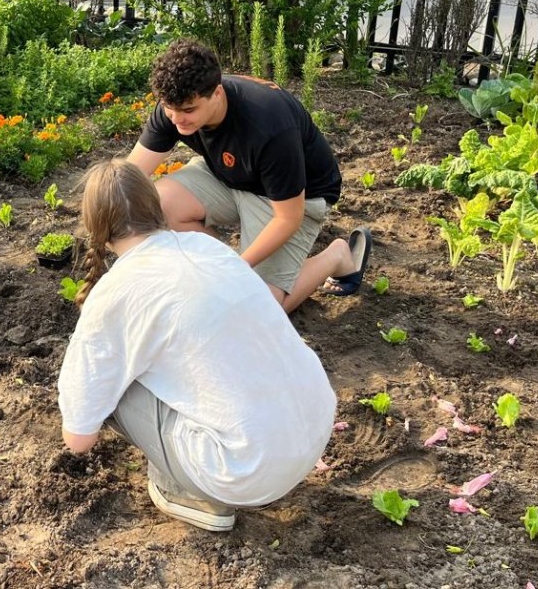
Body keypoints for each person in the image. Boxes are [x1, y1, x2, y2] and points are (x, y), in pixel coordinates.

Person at [57, 159, 337, 532]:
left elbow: (79, 438)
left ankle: (187, 493)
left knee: (112, 380)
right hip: (313, 428)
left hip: (245, 471)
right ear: (156, 208)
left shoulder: (115, 293)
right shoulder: (209, 248)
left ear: (99, 231)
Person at [127, 39, 371, 313]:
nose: (176, 119)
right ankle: (219, 273)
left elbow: (288, 218)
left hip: (292, 199)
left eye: (188, 110)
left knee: (257, 307)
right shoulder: (177, 104)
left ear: (217, 93)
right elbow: (129, 176)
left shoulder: (269, 126)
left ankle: (336, 257)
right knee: (157, 206)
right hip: (228, 174)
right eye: (169, 109)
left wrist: (237, 268)